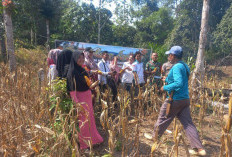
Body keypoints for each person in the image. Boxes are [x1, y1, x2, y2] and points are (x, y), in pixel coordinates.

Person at [153, 46, 206, 156]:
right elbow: (181, 80)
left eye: (169, 55)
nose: (168, 57)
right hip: (185, 99)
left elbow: (178, 83)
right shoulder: (184, 65)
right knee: (188, 124)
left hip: (175, 99)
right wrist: (166, 79)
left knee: (163, 117)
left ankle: (154, 138)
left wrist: (165, 88)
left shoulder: (176, 67)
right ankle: (199, 149)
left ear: (173, 56)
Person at [66, 51, 103, 150]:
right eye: (79, 58)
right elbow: (72, 90)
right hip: (81, 100)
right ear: (74, 59)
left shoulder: (82, 70)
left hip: (87, 99)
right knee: (83, 122)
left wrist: (93, 85)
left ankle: (93, 140)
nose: (81, 60)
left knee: (90, 120)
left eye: (82, 58)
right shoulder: (72, 72)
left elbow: (87, 83)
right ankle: (84, 144)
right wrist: (77, 104)